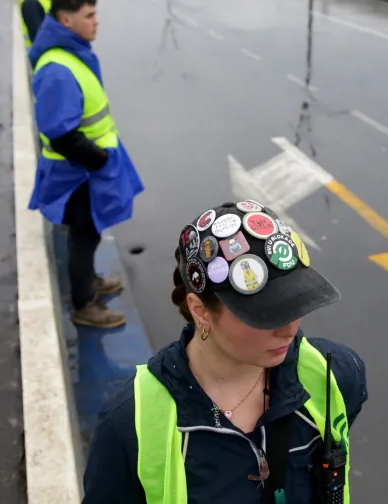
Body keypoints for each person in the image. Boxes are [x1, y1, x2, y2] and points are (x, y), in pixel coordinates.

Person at [82, 201, 368, 503]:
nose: (289, 330)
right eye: (266, 314)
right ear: (200, 311)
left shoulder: (335, 375)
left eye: (296, 304)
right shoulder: (131, 425)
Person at [28, 0, 145, 328]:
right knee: (84, 234)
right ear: (67, 20)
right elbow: (60, 133)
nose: (97, 22)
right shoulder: (57, 68)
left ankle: (89, 282)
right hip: (75, 171)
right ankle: (84, 305)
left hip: (83, 168)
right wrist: (98, 160)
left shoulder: (70, 54)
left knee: (89, 232)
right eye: (89, 16)